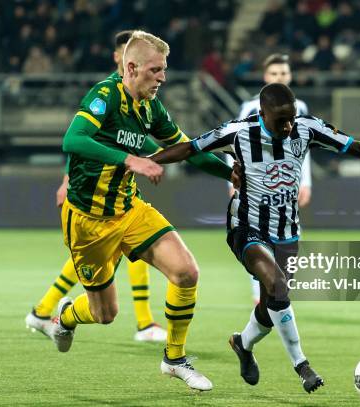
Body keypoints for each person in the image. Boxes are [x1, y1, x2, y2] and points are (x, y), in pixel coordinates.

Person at [151, 83, 360, 393]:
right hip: (247, 226)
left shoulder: (307, 128)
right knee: (277, 285)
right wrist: (148, 161)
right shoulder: (238, 132)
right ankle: (302, 366)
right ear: (262, 114)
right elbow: (190, 148)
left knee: (272, 302)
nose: (288, 126)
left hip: (287, 232)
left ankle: (242, 344)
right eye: (281, 120)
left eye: (291, 118)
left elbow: (357, 146)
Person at [51, 30, 235, 392]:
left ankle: (174, 358)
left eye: (164, 70)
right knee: (105, 315)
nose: (162, 78)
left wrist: (230, 174)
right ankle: (66, 315)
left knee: (186, 273)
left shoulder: (151, 108)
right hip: (88, 222)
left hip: (129, 210)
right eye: (156, 70)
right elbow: (72, 140)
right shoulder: (104, 96)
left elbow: (188, 149)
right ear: (132, 68)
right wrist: (130, 159)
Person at [26, 31, 172, 344]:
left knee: (131, 248)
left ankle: (143, 321)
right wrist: (67, 179)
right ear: (121, 60)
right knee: (103, 265)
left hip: (122, 189)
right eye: (122, 54)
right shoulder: (106, 93)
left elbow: (133, 138)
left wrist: (163, 154)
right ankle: (45, 310)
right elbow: (82, 142)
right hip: (95, 193)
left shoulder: (143, 100)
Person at [232, 53, 312, 303]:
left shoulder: (301, 108)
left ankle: (275, 289)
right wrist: (230, 179)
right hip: (256, 185)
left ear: (290, 76)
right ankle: (260, 294)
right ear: (266, 77)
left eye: (284, 74)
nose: (280, 78)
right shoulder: (249, 108)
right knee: (256, 233)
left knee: (284, 230)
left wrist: (305, 182)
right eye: (275, 74)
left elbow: (303, 151)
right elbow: (232, 146)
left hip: (286, 184)